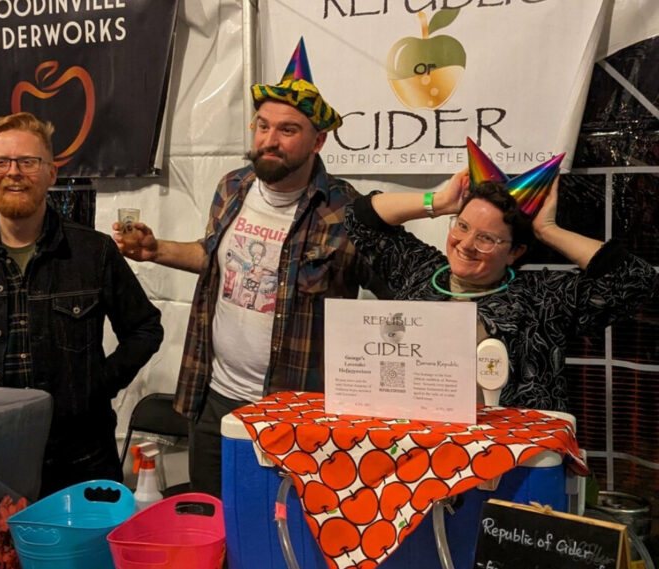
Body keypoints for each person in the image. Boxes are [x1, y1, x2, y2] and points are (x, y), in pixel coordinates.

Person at [113, 38, 388, 497]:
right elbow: (216, 258)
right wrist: (156, 249)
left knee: (284, 533)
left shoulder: (347, 212)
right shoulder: (233, 187)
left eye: (287, 130)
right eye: (262, 126)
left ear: (318, 140)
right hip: (216, 397)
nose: (269, 140)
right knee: (214, 519)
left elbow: (396, 295)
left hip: (298, 409)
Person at [0, 111, 164, 496]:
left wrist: (97, 384)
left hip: (81, 459)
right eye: (0, 162)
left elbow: (145, 328)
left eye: (28, 161)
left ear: (51, 173)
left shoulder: (93, 253)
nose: (14, 172)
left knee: (83, 557)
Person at [345, 138, 657, 412]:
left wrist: (547, 231)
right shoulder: (421, 270)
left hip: (517, 457)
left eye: (486, 239)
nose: (466, 245)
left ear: (514, 252)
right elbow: (361, 217)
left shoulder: (542, 298)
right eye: (462, 226)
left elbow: (635, 279)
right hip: (426, 447)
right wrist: (438, 202)